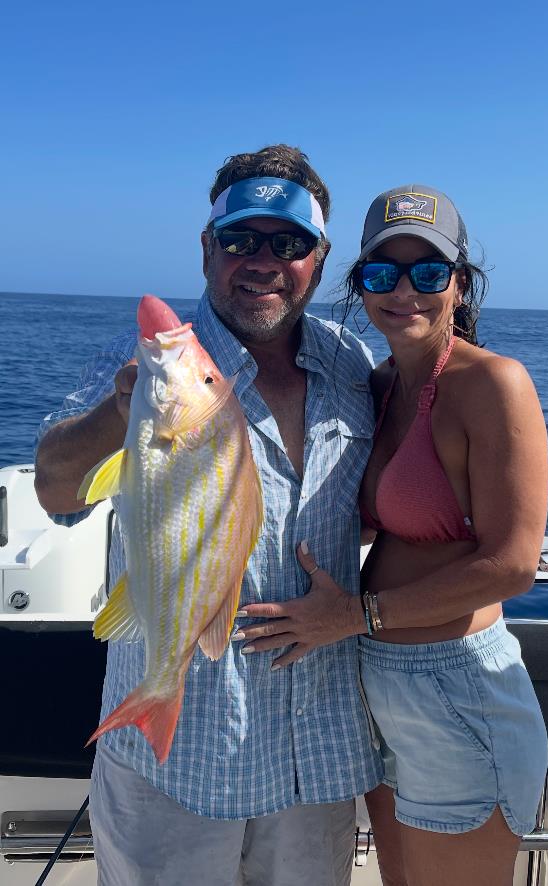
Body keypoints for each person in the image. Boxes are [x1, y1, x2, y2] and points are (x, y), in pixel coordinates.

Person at [34, 145, 383, 886]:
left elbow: (373, 505)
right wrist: (120, 413)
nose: (262, 260)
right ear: (205, 249)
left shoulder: (352, 364)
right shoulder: (142, 364)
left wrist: (358, 609)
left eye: (288, 243)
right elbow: (55, 492)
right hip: (181, 758)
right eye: (239, 239)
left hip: (314, 758)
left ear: (317, 260)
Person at [237, 184, 548, 886]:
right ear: (359, 285)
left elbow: (512, 566)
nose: (403, 291)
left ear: (460, 285)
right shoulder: (377, 386)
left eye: (428, 272)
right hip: (372, 685)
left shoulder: (495, 384)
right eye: (381, 273)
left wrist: (350, 616)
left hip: (458, 690)